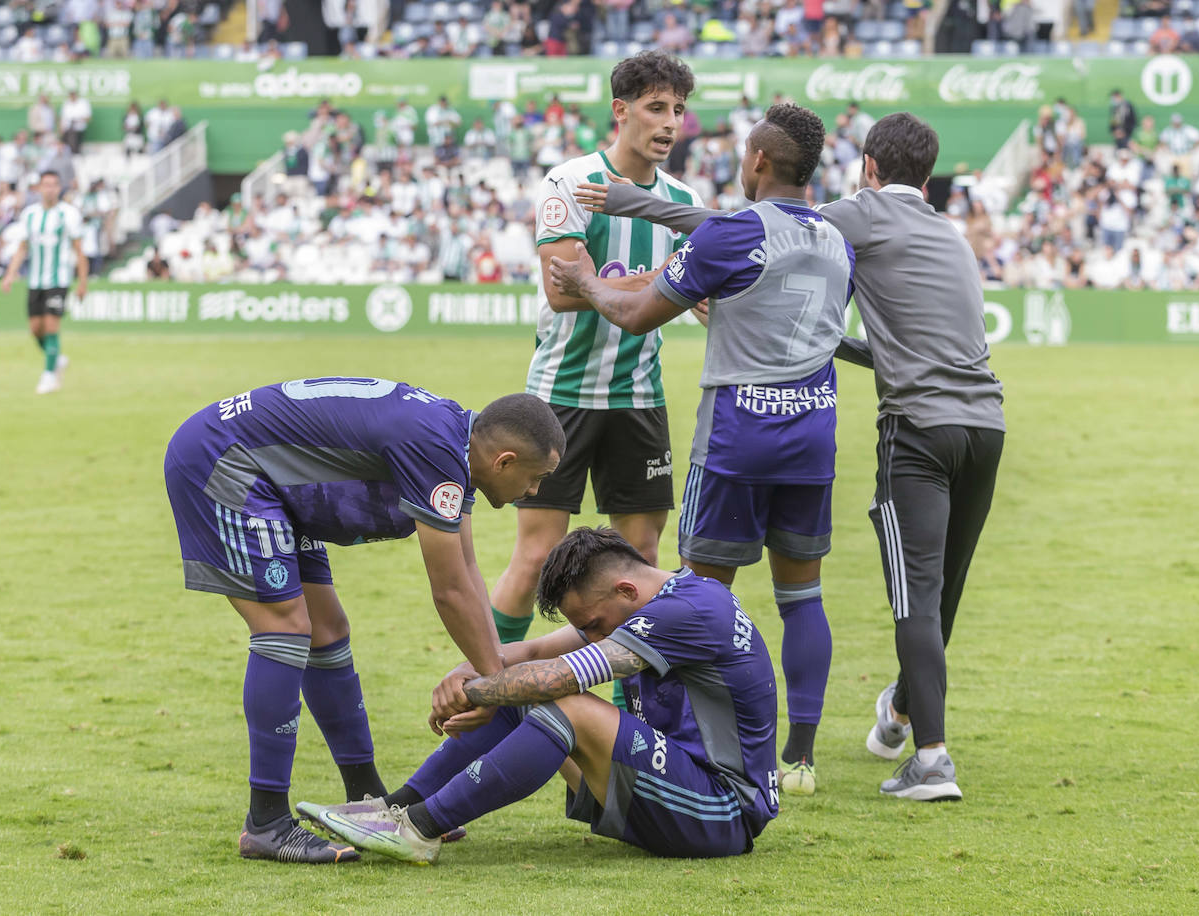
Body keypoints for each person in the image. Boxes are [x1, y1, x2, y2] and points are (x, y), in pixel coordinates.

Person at [551, 103, 855, 797]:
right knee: (802, 595)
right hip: (813, 432)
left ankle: (689, 740)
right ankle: (799, 760)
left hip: (739, 435)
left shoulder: (735, 231)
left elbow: (633, 314)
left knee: (698, 599)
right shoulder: (837, 240)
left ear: (757, 163)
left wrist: (583, 282)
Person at [163, 381, 565, 864]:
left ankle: (369, 802)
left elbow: (467, 569)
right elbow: (449, 591)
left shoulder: (457, 444)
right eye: (536, 478)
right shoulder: (438, 448)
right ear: (505, 461)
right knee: (286, 629)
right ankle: (266, 822)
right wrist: (494, 685)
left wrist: (489, 672)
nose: (535, 491)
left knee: (327, 631)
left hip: (268, 478)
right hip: (225, 462)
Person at [296, 527, 779, 864]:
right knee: (525, 690)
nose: (590, 635)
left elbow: (558, 679)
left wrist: (479, 691)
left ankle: (418, 830)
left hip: (722, 811)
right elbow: (531, 650)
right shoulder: (665, 597)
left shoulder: (688, 612)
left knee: (561, 700)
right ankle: (394, 809)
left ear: (626, 590)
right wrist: (470, 670)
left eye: (592, 624)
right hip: (676, 790)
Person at [489, 51, 702, 673]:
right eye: (656, 108)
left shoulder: (682, 200)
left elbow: (701, 298)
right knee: (536, 557)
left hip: (638, 401)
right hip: (561, 397)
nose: (669, 123)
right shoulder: (571, 181)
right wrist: (667, 280)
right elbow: (564, 289)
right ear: (622, 110)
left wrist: (692, 292)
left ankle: (624, 704)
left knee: (639, 560)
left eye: (679, 111)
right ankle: (489, 684)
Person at [0, 170, 88, 395]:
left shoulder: (68, 214)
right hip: (35, 282)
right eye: (45, 184)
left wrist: (82, 282)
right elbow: (22, 248)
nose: (49, 189)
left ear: (59, 188)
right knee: (35, 330)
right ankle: (56, 359)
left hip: (58, 280)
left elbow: (79, 251)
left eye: (53, 185)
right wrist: (10, 274)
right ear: (39, 188)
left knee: (51, 326)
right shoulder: (30, 215)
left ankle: (48, 376)